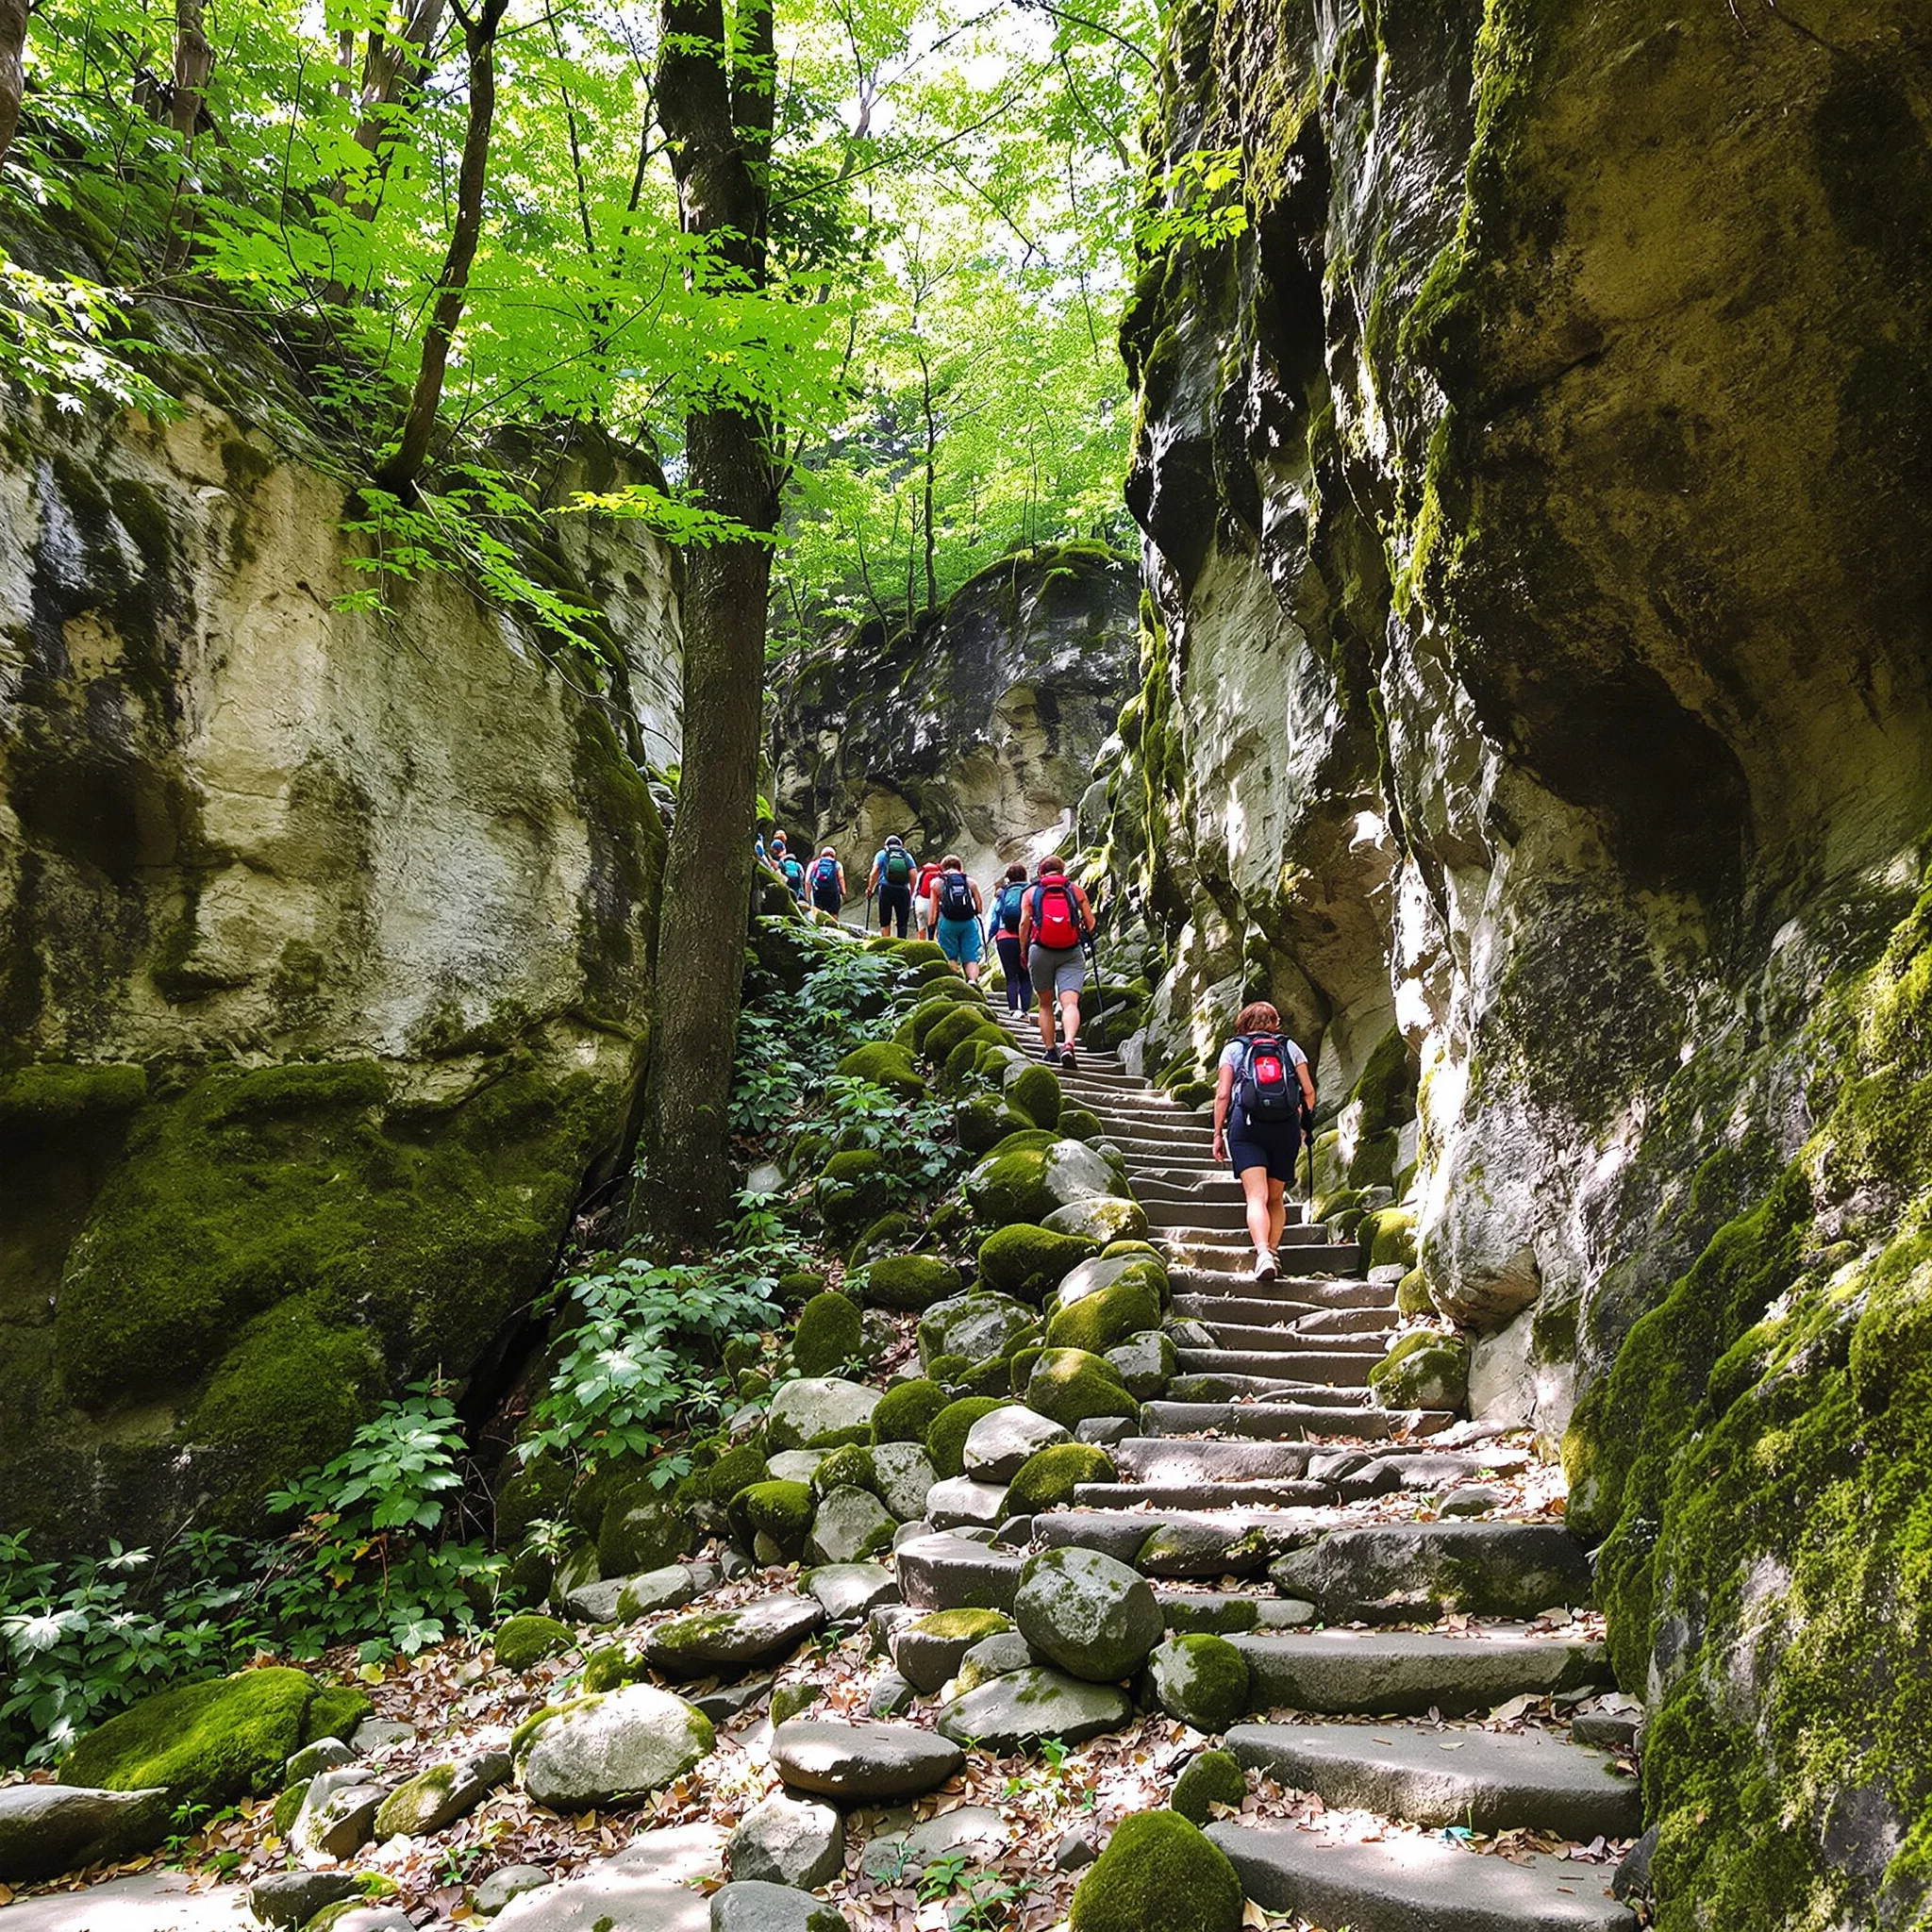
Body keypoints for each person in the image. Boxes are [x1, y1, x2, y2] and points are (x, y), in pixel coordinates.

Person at [1210, 1001, 1316, 1281]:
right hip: (1285, 1128)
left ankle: (1263, 1254)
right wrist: (1303, 1123)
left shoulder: (1234, 1048)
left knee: (1255, 1196)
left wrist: (1217, 1133)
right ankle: (1273, 1249)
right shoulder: (1289, 1048)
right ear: (1274, 1023)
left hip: (1246, 1127)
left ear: (1243, 1023)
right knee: (1275, 1196)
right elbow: (1308, 1092)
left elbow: (1223, 1094)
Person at [1018, 855, 1094, 1070]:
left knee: (1044, 1004)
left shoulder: (1031, 892)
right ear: (1062, 870)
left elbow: (1024, 923)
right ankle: (1069, 1043)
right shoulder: (1075, 890)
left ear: (1041, 872)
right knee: (1069, 1003)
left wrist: (1023, 950)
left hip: (1040, 950)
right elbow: (1090, 922)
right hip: (1071, 952)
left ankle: (1050, 1050)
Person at [932, 855, 985, 982]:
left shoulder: (937, 884)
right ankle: (972, 981)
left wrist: (932, 926)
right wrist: (975, 913)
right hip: (968, 922)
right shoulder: (970, 882)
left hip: (947, 922)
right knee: (971, 956)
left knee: (950, 956)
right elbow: (979, 906)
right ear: (960, 867)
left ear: (943, 868)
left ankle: (956, 982)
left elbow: (933, 910)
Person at [988, 861, 1029, 1012]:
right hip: (1025, 936)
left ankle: (1012, 1010)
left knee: (1011, 976)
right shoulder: (1030, 891)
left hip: (1004, 937)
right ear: (1025, 876)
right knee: (1025, 976)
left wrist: (990, 937)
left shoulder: (1002, 894)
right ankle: (1024, 1010)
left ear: (1008, 879)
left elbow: (994, 918)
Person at [868, 834, 915, 937]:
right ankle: (901, 944)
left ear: (886, 845)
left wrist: (870, 889)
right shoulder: (906, 855)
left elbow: (874, 872)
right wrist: (912, 891)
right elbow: (913, 873)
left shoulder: (882, 854)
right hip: (903, 889)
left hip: (886, 888)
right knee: (902, 921)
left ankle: (886, 943)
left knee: (885, 919)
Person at [913, 855, 945, 940]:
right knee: (935, 929)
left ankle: (921, 946)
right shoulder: (941, 875)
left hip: (920, 902)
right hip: (933, 904)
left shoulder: (922, 873)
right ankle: (933, 945)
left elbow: (916, 888)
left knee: (921, 927)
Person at [808, 845, 845, 917]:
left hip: (817, 892)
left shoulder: (813, 864)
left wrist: (808, 897)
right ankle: (834, 926)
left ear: (821, 856)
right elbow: (841, 878)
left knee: (817, 913)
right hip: (832, 893)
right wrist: (843, 892)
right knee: (833, 914)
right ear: (834, 856)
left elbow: (807, 881)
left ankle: (818, 926)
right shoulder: (837, 864)